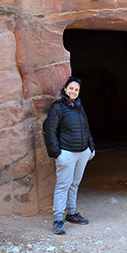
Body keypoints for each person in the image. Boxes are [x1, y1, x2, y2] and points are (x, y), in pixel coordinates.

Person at [43, 76, 95, 235]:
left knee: (74, 184)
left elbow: (85, 127)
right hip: (66, 152)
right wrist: (57, 153)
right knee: (63, 185)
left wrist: (90, 147)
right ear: (65, 89)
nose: (73, 91)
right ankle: (58, 219)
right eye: (71, 88)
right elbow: (50, 131)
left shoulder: (79, 106)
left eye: (76, 90)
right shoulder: (58, 107)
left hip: (82, 152)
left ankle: (71, 213)